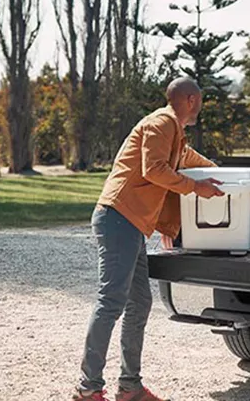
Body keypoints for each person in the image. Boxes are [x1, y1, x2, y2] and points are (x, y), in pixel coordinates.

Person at [74, 77, 224, 401]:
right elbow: (154, 169)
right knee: (111, 301)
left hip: (132, 224)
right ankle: (88, 389)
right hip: (118, 218)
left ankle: (130, 387)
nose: (199, 106)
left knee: (139, 302)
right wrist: (196, 188)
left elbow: (189, 159)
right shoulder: (162, 122)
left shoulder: (174, 132)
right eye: (198, 100)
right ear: (190, 100)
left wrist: (226, 176)